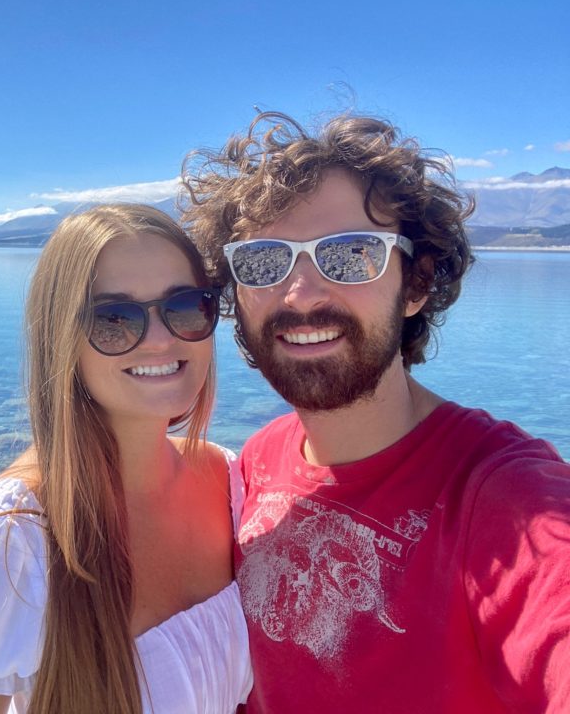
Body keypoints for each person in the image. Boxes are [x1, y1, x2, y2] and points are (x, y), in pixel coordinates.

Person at [182, 111, 570, 713]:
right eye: (264, 261)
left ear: (416, 284)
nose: (301, 293)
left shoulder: (503, 495)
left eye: (350, 255)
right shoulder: (259, 459)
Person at [0, 204, 253, 714]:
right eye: (113, 319)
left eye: (185, 305)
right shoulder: (13, 536)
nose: (160, 339)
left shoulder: (229, 480)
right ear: (62, 340)